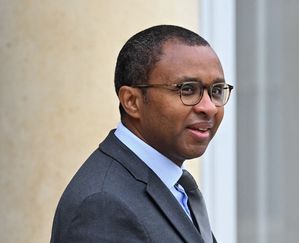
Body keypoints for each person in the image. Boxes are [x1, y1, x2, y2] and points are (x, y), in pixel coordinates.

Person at [50, 25, 233, 243]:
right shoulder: (103, 206)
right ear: (132, 101)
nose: (209, 107)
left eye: (216, 91)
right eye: (187, 89)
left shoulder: (176, 184)